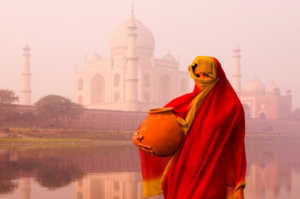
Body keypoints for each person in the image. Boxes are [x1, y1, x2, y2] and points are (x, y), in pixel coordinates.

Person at [133, 56, 246, 199]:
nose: (201, 79)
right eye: (197, 75)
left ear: (218, 75)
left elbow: (237, 148)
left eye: (206, 75)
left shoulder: (233, 108)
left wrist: (239, 185)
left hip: (213, 175)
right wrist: (137, 136)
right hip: (183, 172)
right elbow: (155, 120)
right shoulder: (186, 103)